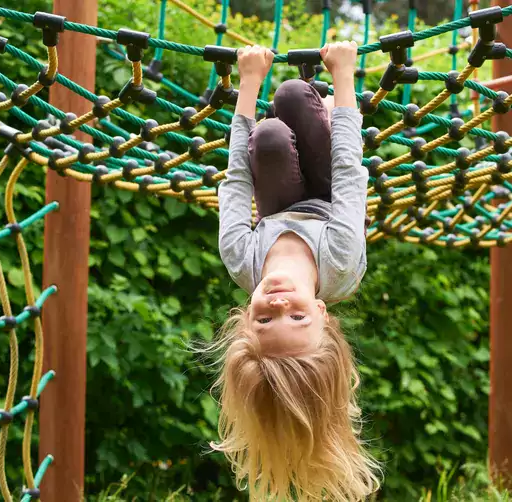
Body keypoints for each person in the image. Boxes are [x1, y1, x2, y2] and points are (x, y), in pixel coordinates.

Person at [209, 41, 380, 501]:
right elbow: (349, 172)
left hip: (275, 200)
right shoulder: (340, 263)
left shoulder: (242, 258)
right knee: (290, 95)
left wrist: (247, 84)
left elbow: (236, 179)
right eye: (297, 318)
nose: (279, 304)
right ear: (323, 313)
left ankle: (302, 115)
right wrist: (345, 77)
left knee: (265, 136)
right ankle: (320, 109)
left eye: (265, 320)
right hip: (329, 194)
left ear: (247, 317)